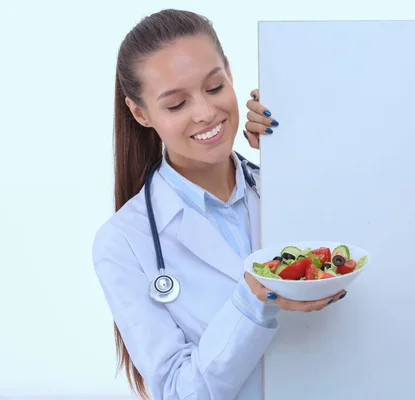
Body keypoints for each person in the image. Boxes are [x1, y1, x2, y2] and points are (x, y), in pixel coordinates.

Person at [91, 8, 346, 400]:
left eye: (214, 87)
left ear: (228, 70)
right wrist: (252, 300)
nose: (206, 113)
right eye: (176, 104)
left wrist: (294, 154)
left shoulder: (283, 187)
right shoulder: (124, 242)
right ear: (141, 113)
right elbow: (179, 392)